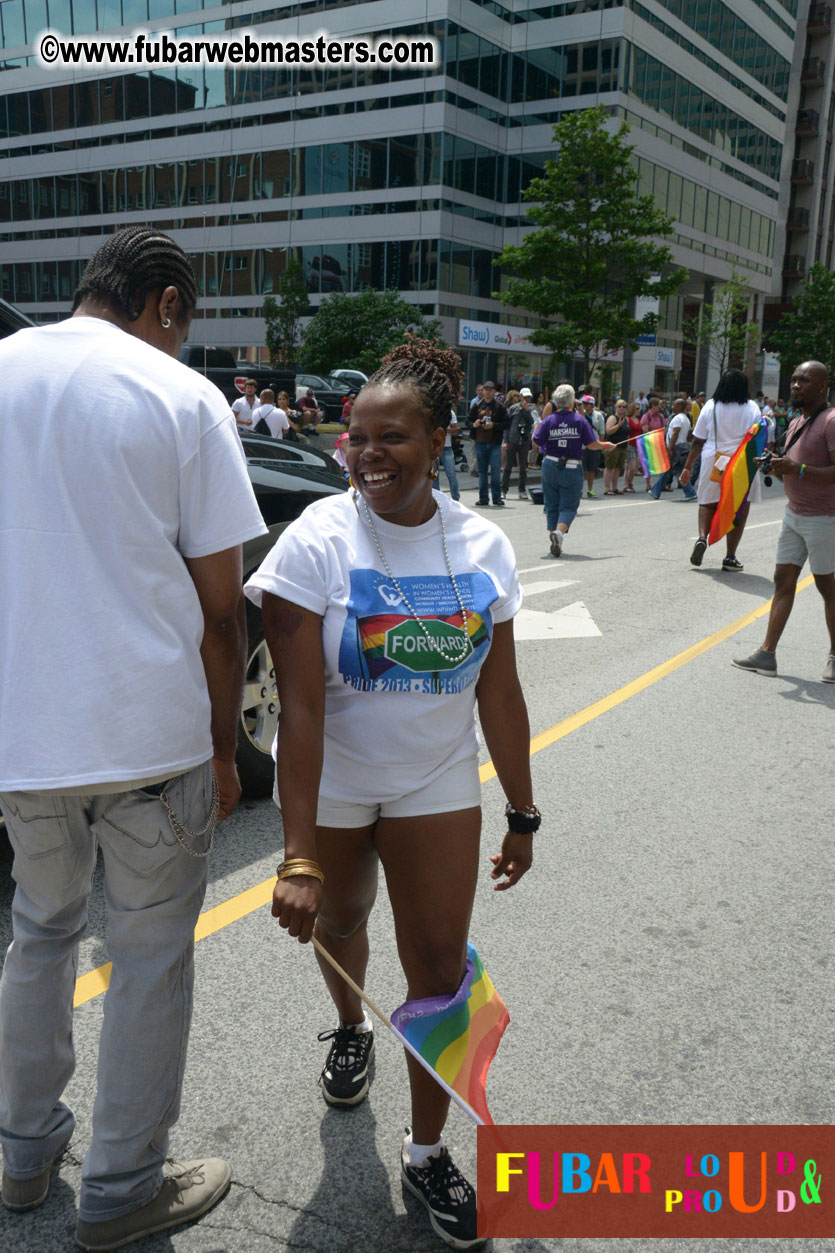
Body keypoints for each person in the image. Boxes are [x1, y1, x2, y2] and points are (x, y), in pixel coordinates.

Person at [0, 227, 267, 1248]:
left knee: (40, 932)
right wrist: (219, 741)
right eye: (183, 324)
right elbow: (219, 608)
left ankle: (23, 1158)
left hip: (25, 734)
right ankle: (121, 1189)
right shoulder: (180, 396)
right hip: (147, 734)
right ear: (164, 305)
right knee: (150, 955)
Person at [245, 337, 536, 1250]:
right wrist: (296, 854)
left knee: (440, 968)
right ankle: (348, 1027)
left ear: (442, 437)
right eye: (354, 436)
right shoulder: (315, 542)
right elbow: (297, 709)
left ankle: (423, 1150)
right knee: (340, 924)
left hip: (436, 782)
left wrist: (523, 811)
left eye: (391, 437)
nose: (366, 453)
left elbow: (500, 687)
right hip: (333, 785)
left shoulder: (482, 542)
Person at [733, 361, 835, 679]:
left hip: (824, 518)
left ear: (822, 386)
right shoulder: (796, 422)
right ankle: (767, 654)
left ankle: (834, 655)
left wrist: (798, 470)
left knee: (827, 587)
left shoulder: (831, 420)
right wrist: (776, 467)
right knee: (783, 582)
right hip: (793, 515)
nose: (795, 386)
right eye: (792, 380)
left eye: (803, 381)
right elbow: (792, 468)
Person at [680, 368, 762, 571]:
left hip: (713, 460)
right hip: (742, 463)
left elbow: (698, 440)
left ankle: (701, 537)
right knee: (739, 508)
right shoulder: (752, 408)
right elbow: (757, 439)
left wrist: (687, 467)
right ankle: (730, 557)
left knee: (707, 503)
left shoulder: (710, 406)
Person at [533, 383, 612, 556]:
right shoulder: (579, 420)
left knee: (551, 504)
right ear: (571, 402)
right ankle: (559, 533)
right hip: (571, 467)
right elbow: (592, 444)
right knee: (568, 506)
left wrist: (535, 428)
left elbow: (536, 442)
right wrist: (606, 445)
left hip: (549, 465)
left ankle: (555, 539)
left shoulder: (549, 420)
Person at [467, 379, 509, 507]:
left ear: (494, 391)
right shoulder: (477, 405)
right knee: (482, 472)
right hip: (480, 442)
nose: (487, 392)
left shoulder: (499, 407)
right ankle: (483, 498)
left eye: (490, 389)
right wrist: (474, 424)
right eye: (485, 389)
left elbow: (507, 423)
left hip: (494, 443)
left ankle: (496, 498)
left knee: (495, 471)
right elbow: (468, 420)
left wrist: (493, 425)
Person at [650, 398, 697, 501]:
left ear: (680, 407)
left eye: (674, 405)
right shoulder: (686, 419)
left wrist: (670, 449)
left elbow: (675, 433)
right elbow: (689, 436)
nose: (672, 407)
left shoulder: (677, 419)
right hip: (683, 446)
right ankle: (690, 492)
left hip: (676, 448)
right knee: (679, 470)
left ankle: (655, 491)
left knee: (667, 470)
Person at [501, 388, 534, 499]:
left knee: (523, 467)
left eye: (528, 397)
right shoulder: (513, 408)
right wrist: (506, 441)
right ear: (520, 397)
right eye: (524, 397)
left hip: (524, 440)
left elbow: (531, 422)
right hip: (512, 439)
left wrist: (526, 410)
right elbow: (507, 426)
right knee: (508, 466)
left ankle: (522, 490)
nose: (526, 399)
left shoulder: (531, 409)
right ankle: (504, 490)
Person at [580, 394, 605, 498]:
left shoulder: (598, 416)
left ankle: (590, 489)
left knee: (591, 469)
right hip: (582, 445)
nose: (584, 405)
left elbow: (602, 432)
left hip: (594, 444)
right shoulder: (581, 414)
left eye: (586, 403)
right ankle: (579, 490)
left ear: (592, 404)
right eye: (583, 403)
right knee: (581, 469)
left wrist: (601, 446)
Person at [435, 407, 461, 501]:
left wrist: (444, 429)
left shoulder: (450, 413)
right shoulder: (432, 411)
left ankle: (456, 499)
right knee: (434, 475)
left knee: (451, 473)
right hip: (434, 447)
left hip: (447, 447)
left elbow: (455, 429)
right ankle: (437, 500)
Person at [604, 398, 629, 494]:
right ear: (616, 408)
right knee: (610, 467)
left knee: (618, 468)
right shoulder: (612, 418)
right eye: (620, 406)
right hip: (613, 446)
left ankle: (615, 487)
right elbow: (608, 431)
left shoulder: (626, 419)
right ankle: (607, 488)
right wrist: (618, 425)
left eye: (624, 407)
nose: (622, 408)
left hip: (623, 446)